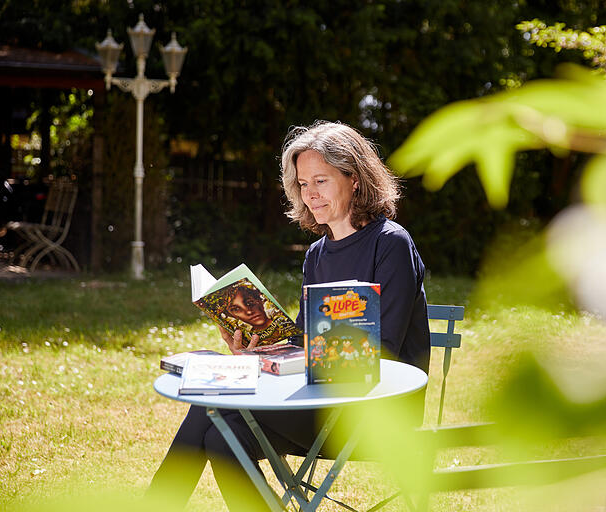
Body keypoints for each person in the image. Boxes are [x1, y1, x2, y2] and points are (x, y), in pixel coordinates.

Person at [147, 121, 430, 511]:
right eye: (302, 184)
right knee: (220, 433)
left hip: (375, 411)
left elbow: (384, 351)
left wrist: (306, 353)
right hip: (317, 402)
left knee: (212, 413)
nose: (310, 194)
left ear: (355, 179)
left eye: (321, 181)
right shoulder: (317, 254)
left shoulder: (391, 244)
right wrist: (259, 347)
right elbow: (304, 340)